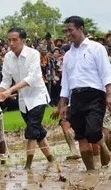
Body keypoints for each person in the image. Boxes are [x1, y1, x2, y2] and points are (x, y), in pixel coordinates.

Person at [58, 16, 111, 170]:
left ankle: (104, 147)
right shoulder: (68, 55)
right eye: (66, 30)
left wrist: (109, 94)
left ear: (80, 29)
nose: (68, 34)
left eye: (71, 30)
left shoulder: (96, 48)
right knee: (80, 136)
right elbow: (65, 82)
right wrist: (62, 104)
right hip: (75, 97)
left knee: (93, 132)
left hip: (94, 95)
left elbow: (106, 74)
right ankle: (90, 172)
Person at [0, 27, 54, 169]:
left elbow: (32, 78)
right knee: (38, 133)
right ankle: (51, 160)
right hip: (23, 100)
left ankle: (27, 167)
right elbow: (5, 79)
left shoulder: (33, 54)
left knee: (31, 132)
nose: (11, 43)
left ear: (23, 41)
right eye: (9, 40)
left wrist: (10, 90)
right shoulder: (8, 57)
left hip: (37, 97)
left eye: (15, 40)